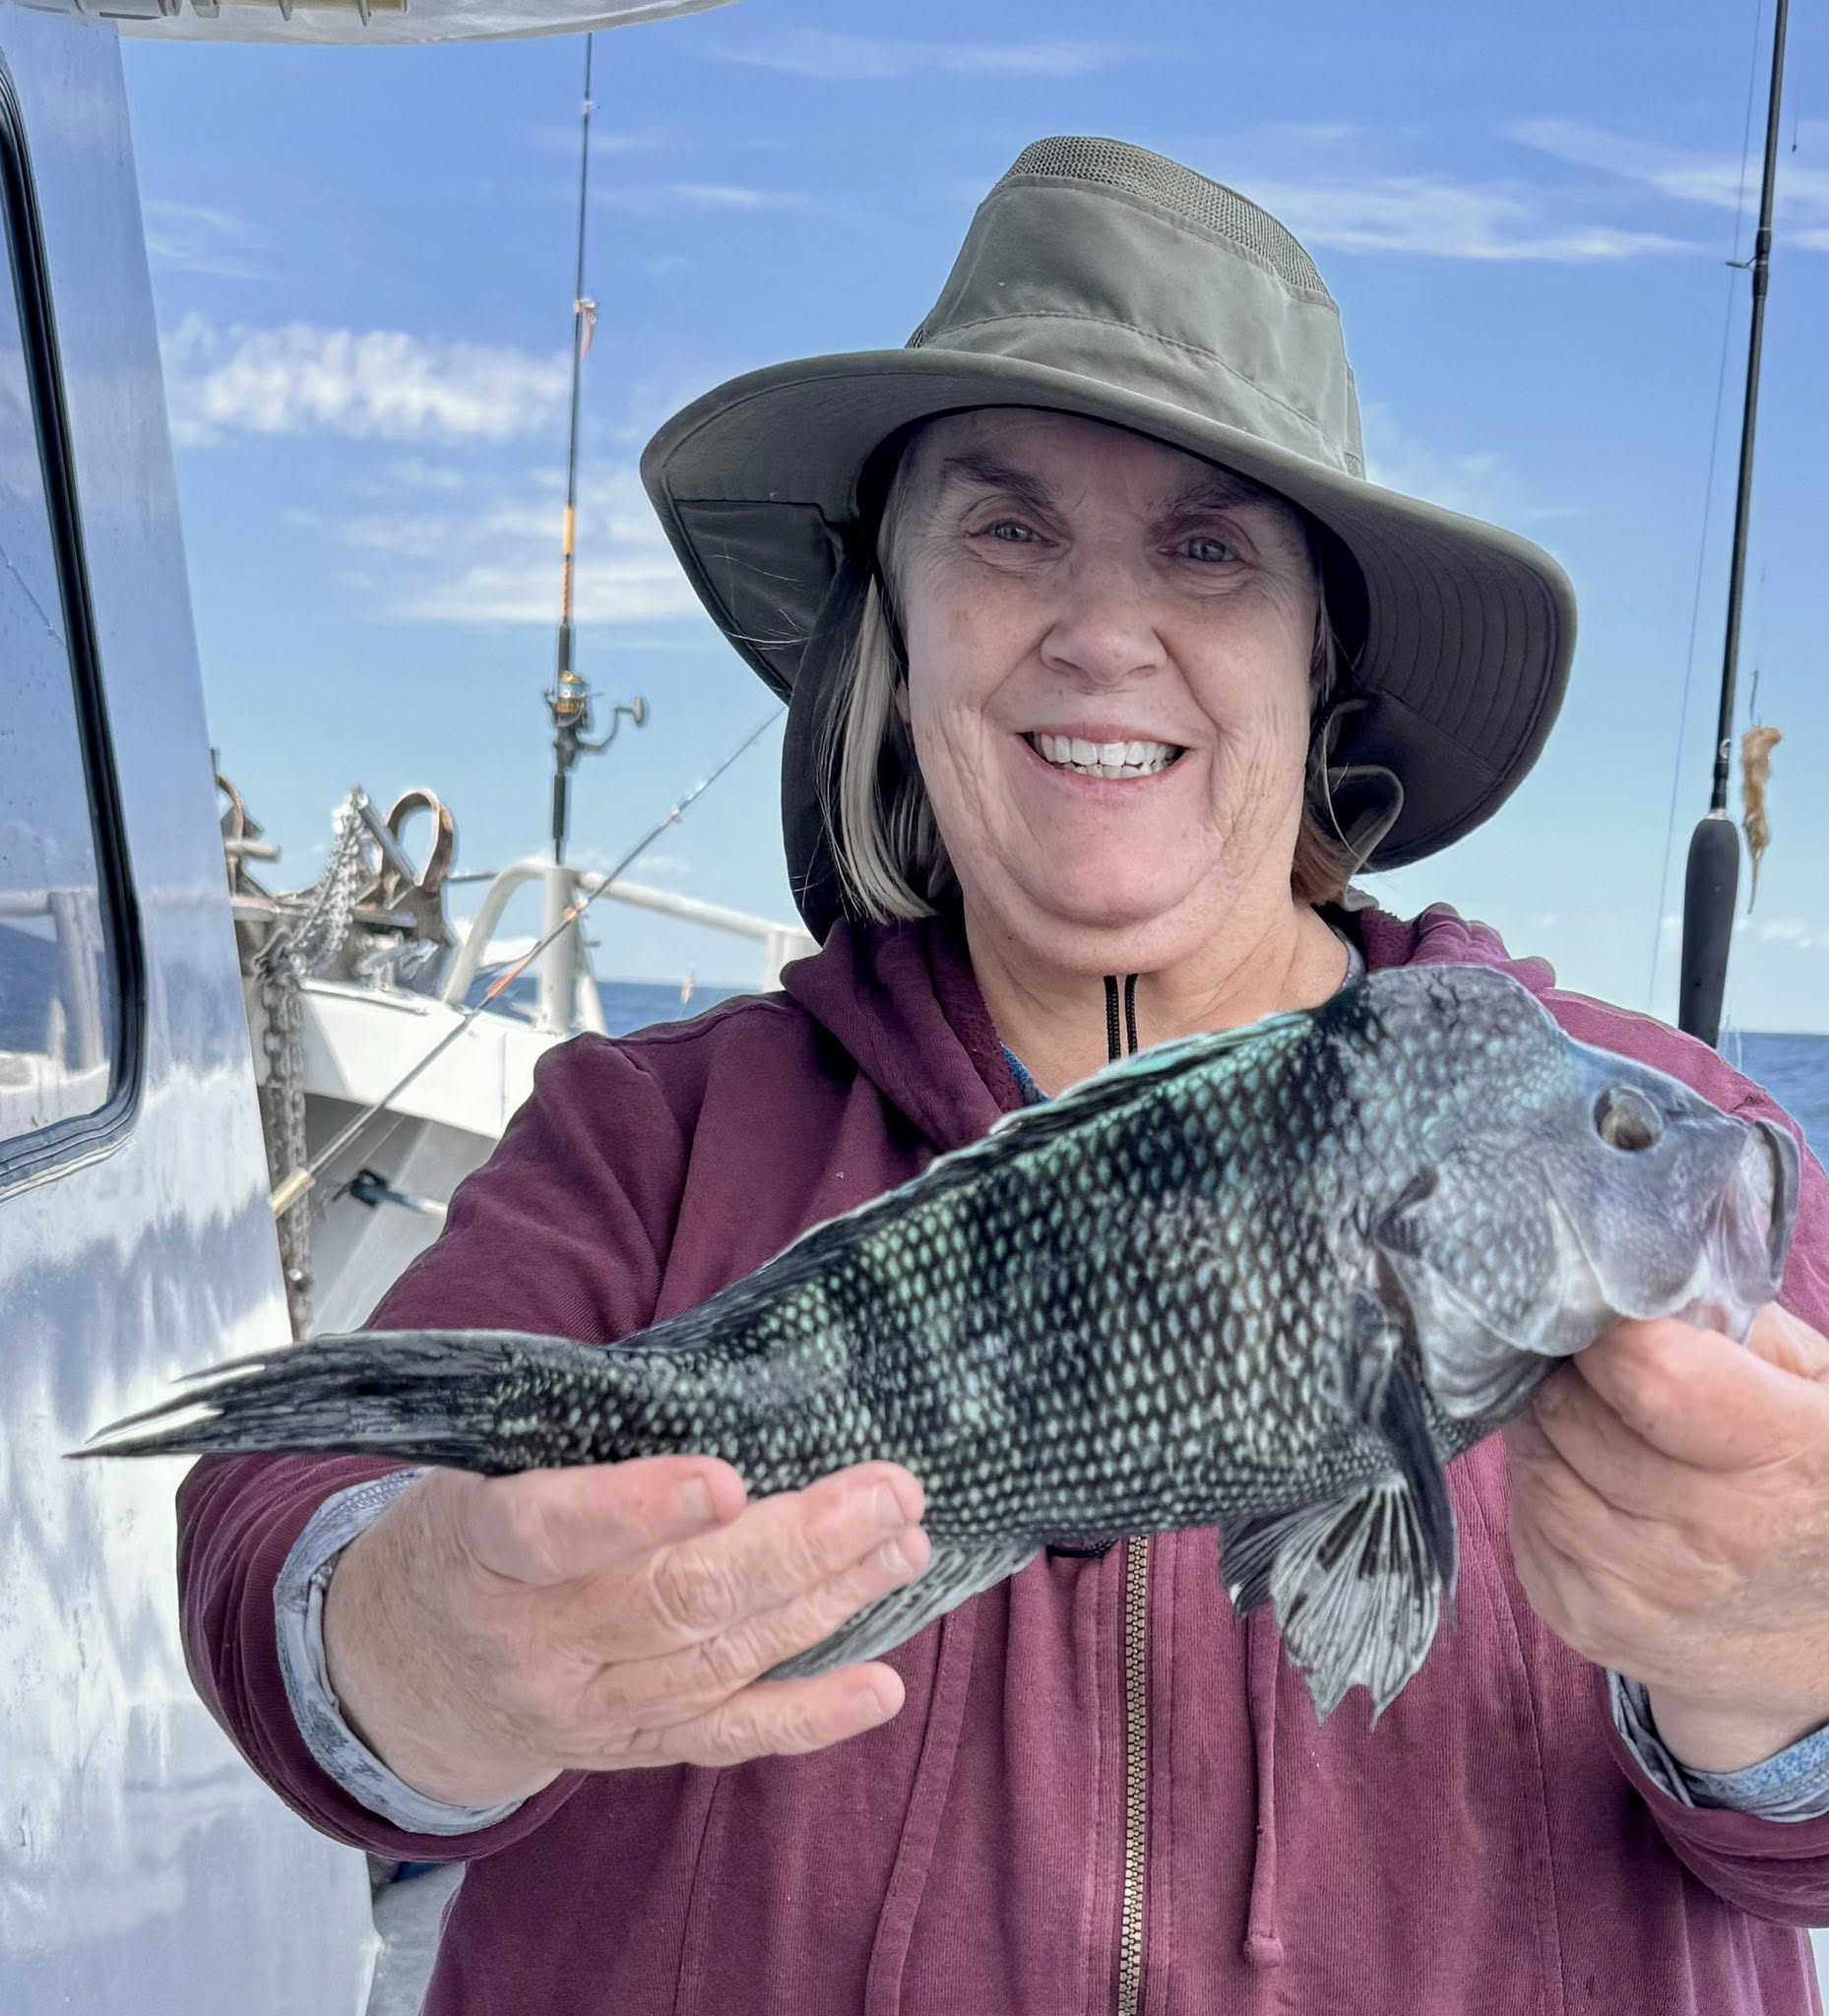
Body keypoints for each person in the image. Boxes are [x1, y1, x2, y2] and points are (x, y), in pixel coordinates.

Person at [178, 138, 1829, 2014]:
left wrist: (1782, 1648)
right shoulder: (646, 1135)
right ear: (889, 629)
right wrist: (437, 1642)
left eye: (1208, 550)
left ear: (1318, 660)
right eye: (1007, 531)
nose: (1102, 634)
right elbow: (276, 1542)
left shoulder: (1702, 1136)